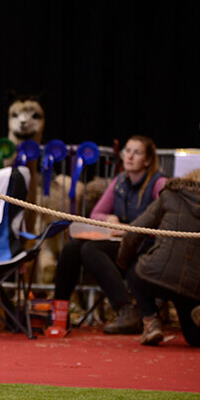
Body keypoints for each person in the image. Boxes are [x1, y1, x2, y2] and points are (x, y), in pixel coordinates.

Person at [53, 136, 167, 333]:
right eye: (127, 151)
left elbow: (167, 219)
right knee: (72, 248)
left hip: (147, 246)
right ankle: (58, 316)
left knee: (90, 249)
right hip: (121, 244)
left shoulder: (159, 183)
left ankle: (126, 311)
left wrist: (129, 228)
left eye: (137, 152)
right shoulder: (120, 181)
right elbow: (96, 214)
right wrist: (109, 219)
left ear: (148, 160)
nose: (129, 156)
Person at [117, 166, 200, 349]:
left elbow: (133, 234)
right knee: (194, 338)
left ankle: (151, 321)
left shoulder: (171, 195)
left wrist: (122, 265)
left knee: (135, 270)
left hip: (156, 274)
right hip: (197, 287)